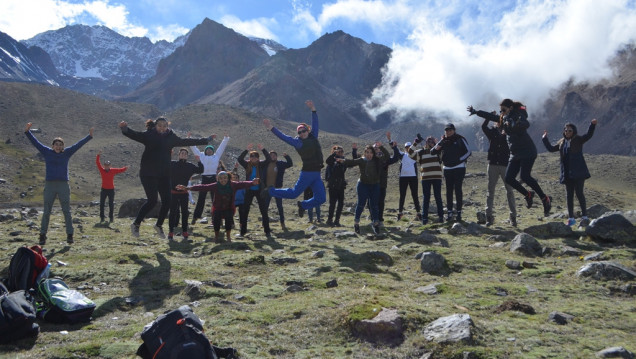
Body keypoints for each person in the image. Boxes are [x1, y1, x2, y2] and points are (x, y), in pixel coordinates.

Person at [119, 117, 211, 238]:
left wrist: (205, 140)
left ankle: (159, 225)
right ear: (155, 126)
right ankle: (136, 224)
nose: (162, 128)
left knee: (167, 202)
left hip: (164, 174)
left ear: (167, 126)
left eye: (164, 126)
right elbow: (135, 135)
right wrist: (125, 129)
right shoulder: (149, 135)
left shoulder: (171, 137)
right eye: (159, 125)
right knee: (152, 200)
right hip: (148, 173)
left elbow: (185, 142)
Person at [470, 99, 552, 217]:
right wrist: (476, 112)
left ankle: (545, 199)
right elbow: (492, 117)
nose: (502, 112)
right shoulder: (504, 118)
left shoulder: (518, 116)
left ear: (510, 108)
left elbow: (526, 124)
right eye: (501, 110)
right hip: (515, 153)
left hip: (527, 151)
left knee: (525, 176)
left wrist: (515, 124)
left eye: (504, 109)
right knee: (509, 179)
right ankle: (528, 194)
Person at [25, 123, 93, 245]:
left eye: (60, 145)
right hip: (50, 184)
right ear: (52, 146)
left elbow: (78, 145)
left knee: (66, 210)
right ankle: (42, 235)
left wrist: (89, 136)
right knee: (47, 211)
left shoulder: (67, 153)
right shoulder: (47, 152)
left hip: (63, 185)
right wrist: (27, 132)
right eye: (56, 144)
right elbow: (36, 143)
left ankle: (70, 235)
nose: (58, 146)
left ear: (63, 147)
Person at [263, 100, 326, 217]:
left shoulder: (314, 136)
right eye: (299, 132)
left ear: (308, 130)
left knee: (321, 198)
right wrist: (271, 127)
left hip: (317, 173)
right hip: (307, 173)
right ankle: (270, 191)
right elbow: (283, 137)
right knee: (293, 194)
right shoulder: (298, 143)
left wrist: (313, 109)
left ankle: (303, 205)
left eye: (304, 131)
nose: (302, 133)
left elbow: (316, 123)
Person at [468, 106, 518, 226]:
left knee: (509, 191)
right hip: (493, 164)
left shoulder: (510, 131)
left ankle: (513, 218)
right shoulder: (492, 132)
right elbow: (483, 127)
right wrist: (488, 117)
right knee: (491, 191)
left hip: (506, 164)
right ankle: (489, 217)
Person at [542, 119, 597, 226]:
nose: (567, 132)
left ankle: (584, 216)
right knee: (569, 196)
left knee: (579, 193)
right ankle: (571, 219)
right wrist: (545, 139)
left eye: (570, 131)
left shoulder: (578, 140)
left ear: (574, 131)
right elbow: (551, 149)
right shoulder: (562, 142)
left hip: (578, 172)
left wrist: (592, 125)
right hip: (567, 173)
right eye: (566, 130)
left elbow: (588, 135)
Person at [178, 172, 258, 243]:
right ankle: (216, 237)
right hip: (217, 207)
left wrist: (252, 183)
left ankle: (228, 237)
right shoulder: (215, 185)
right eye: (221, 178)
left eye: (225, 178)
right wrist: (189, 188)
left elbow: (243, 184)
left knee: (228, 221)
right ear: (218, 179)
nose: (223, 180)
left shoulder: (233, 184)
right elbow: (203, 187)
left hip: (229, 207)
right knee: (216, 222)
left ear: (228, 178)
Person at [338, 142, 389, 235]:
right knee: (361, 204)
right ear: (365, 153)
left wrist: (381, 147)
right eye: (367, 152)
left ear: (373, 153)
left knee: (374, 205)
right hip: (363, 185)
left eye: (371, 152)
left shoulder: (377, 160)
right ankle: (356, 223)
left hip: (375, 185)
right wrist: (343, 160)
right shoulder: (362, 160)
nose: (369, 154)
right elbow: (352, 162)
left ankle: (376, 224)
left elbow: (387, 156)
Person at [431, 123, 471, 222]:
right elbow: (433, 151)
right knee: (448, 191)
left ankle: (459, 213)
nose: (448, 132)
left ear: (454, 130)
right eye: (446, 130)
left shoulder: (460, 139)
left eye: (450, 130)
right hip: (447, 168)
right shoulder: (443, 141)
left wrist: (459, 160)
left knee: (458, 189)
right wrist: (441, 141)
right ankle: (449, 213)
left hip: (459, 168)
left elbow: (468, 152)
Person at [190, 134, 230, 224]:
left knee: (215, 199)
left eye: (210, 150)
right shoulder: (201, 156)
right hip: (204, 179)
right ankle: (195, 217)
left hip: (213, 178)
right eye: (207, 149)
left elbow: (221, 148)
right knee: (201, 199)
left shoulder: (216, 156)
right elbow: (194, 149)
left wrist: (226, 138)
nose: (209, 151)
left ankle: (218, 218)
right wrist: (189, 139)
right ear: (205, 151)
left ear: (213, 151)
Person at [407, 135, 444, 224]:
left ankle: (441, 217)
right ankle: (424, 219)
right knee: (426, 198)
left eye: (432, 142)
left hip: (437, 177)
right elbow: (410, 153)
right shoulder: (421, 152)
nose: (431, 143)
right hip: (425, 178)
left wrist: (441, 142)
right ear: (426, 143)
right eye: (429, 141)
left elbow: (444, 151)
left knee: (438, 197)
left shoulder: (438, 151)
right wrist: (416, 142)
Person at [168, 148, 203, 241]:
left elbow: (201, 170)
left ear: (187, 156)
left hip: (184, 193)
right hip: (173, 192)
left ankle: (184, 231)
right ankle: (170, 232)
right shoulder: (172, 164)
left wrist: (199, 160)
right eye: (182, 153)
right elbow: (162, 164)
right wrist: (169, 155)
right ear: (179, 155)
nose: (183, 154)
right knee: (172, 213)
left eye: (185, 154)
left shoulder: (190, 166)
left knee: (185, 213)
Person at [237, 144, 272, 237]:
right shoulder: (247, 165)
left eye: (255, 156)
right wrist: (246, 150)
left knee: (263, 210)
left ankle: (267, 231)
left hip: (259, 190)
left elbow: (269, 159)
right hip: (249, 190)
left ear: (258, 158)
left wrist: (263, 149)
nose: (253, 158)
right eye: (252, 156)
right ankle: (243, 231)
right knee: (245, 210)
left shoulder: (261, 165)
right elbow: (239, 159)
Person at [391, 132, 422, 222]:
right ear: (404, 148)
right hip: (403, 177)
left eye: (409, 146)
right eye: (406, 147)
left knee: (415, 195)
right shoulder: (402, 155)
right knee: (402, 195)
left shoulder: (415, 155)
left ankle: (418, 213)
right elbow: (396, 150)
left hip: (413, 177)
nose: (408, 148)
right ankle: (400, 212)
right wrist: (392, 142)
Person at [263, 151, 293, 230]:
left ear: (276, 156)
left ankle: (282, 223)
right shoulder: (266, 164)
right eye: (271, 155)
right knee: (265, 207)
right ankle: (264, 223)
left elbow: (290, 164)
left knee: (280, 207)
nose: (272, 156)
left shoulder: (280, 163)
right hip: (268, 189)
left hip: (278, 189)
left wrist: (287, 157)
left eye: (274, 155)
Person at [96, 151, 128, 223]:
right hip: (104, 189)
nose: (107, 166)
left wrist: (125, 168)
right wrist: (98, 155)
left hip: (111, 190)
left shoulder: (113, 170)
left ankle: (111, 218)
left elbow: (120, 170)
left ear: (110, 165)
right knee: (102, 204)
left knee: (111, 204)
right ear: (104, 165)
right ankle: (102, 217)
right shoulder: (102, 170)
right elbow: (98, 163)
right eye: (106, 165)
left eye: (108, 165)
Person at [324, 145, 347, 226]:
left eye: (341, 151)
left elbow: (348, 165)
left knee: (340, 203)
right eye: (337, 151)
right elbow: (327, 161)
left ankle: (337, 220)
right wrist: (334, 154)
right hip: (333, 185)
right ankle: (329, 220)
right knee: (332, 203)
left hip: (340, 185)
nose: (339, 153)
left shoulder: (343, 161)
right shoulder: (332, 161)